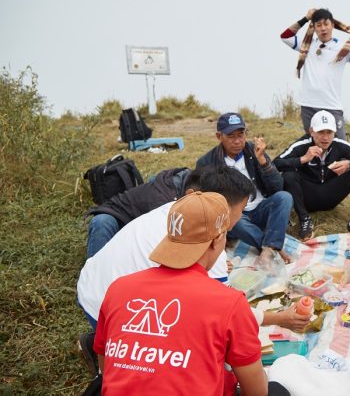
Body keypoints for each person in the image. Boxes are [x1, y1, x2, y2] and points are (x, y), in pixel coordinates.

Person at [77, 167, 310, 377]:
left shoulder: (174, 211)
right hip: (113, 312)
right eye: (240, 209)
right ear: (222, 210)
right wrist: (280, 318)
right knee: (200, 349)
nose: (240, 217)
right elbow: (225, 316)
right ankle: (111, 348)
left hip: (92, 289)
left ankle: (100, 342)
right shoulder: (213, 242)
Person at [93, 191, 271, 395]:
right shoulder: (228, 303)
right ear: (218, 240)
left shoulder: (119, 288)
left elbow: (106, 366)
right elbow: (257, 391)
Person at [196, 112, 294, 264]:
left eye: (241, 135)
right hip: (235, 216)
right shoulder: (207, 162)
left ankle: (268, 248)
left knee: (284, 197)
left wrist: (263, 162)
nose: (237, 141)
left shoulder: (254, 150)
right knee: (234, 220)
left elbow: (277, 187)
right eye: (231, 136)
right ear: (219, 136)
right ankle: (273, 246)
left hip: (261, 209)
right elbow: (207, 204)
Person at [273, 110, 350, 238]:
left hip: (331, 194)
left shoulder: (339, 144)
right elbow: (276, 163)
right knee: (289, 175)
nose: (325, 137)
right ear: (311, 131)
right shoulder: (302, 145)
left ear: (334, 133)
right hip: (307, 198)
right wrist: (302, 159)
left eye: (329, 132)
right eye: (321, 132)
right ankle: (305, 220)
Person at [280, 8, 350, 140]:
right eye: (319, 25)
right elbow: (285, 36)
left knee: (340, 145)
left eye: (326, 24)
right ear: (314, 27)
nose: (323, 28)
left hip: (331, 105)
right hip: (308, 105)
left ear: (332, 25)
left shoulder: (344, 47)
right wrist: (305, 19)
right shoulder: (307, 43)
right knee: (314, 144)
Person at [85, 167, 191, 258]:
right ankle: (93, 272)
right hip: (120, 217)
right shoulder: (163, 198)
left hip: (137, 228)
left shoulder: (181, 188)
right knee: (102, 222)